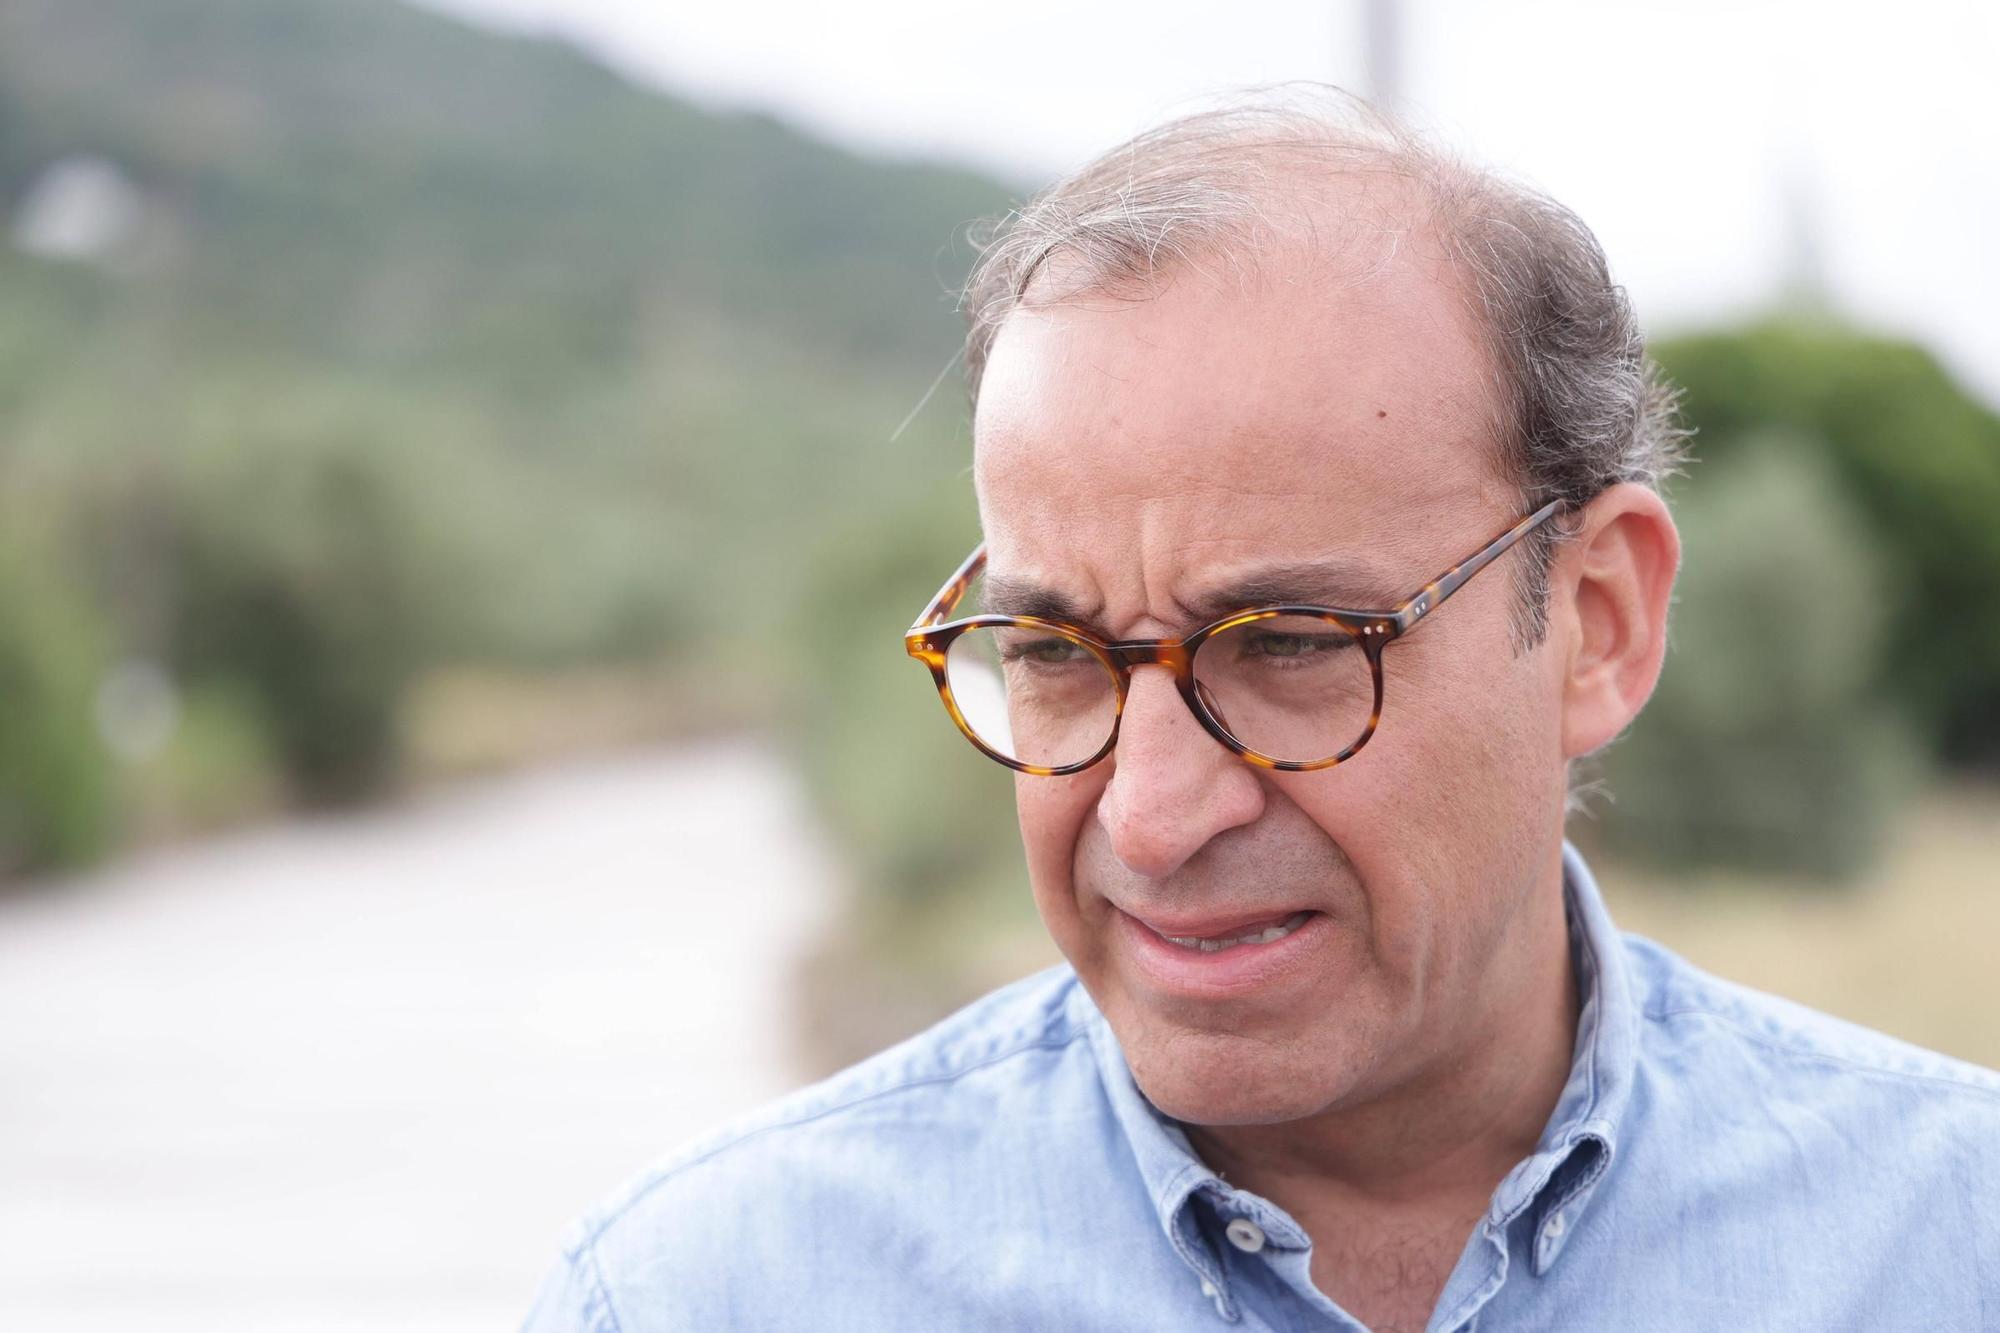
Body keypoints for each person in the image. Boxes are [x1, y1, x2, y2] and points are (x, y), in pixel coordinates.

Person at [524, 89, 1999, 1332]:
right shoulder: (706, 1297)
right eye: (1048, 650)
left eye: (1290, 643)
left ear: (1599, 623)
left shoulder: (1955, 1241)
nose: (1153, 819)